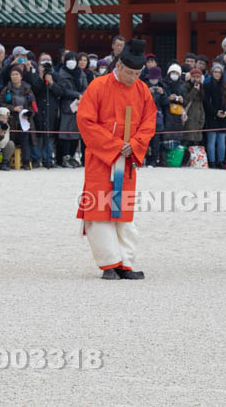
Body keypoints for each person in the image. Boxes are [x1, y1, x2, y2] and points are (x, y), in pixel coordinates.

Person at [76, 38, 157, 280]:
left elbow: (149, 122)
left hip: (128, 157)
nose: (133, 77)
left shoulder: (142, 90)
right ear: (119, 66)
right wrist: (114, 146)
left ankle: (126, 263)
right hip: (102, 158)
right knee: (99, 211)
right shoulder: (98, 86)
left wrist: (133, 145)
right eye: (129, 72)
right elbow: (85, 121)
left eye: (137, 73)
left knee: (123, 213)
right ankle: (109, 263)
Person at [53, 51, 88, 168]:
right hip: (67, 106)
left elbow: (85, 87)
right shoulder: (61, 73)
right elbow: (63, 90)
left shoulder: (81, 73)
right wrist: (76, 95)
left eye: (74, 59)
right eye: (70, 59)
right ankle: (64, 157)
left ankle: (72, 156)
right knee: (66, 133)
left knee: (76, 133)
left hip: (80, 105)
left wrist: (82, 96)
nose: (72, 61)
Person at [0, 65, 35, 169]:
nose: (14, 77)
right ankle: (6, 161)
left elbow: (33, 105)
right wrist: (13, 108)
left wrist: (27, 113)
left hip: (25, 121)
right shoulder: (6, 90)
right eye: (13, 75)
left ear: (21, 76)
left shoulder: (28, 89)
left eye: (17, 74)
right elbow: (1, 103)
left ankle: (26, 162)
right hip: (11, 120)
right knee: (9, 140)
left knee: (25, 140)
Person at [203, 63, 226, 169]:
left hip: (223, 116)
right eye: (215, 72)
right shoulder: (207, 86)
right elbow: (206, 103)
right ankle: (212, 161)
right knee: (212, 140)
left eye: (219, 72)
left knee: (222, 140)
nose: (217, 74)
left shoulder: (225, 86)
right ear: (212, 72)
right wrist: (215, 112)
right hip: (212, 116)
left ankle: (221, 161)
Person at [181, 68, 205, 147]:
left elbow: (201, 105)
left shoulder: (201, 88)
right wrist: (194, 90)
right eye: (194, 77)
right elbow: (186, 101)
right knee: (186, 143)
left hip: (197, 120)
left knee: (195, 146)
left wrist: (202, 120)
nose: (196, 79)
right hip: (188, 119)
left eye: (198, 77)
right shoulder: (185, 86)